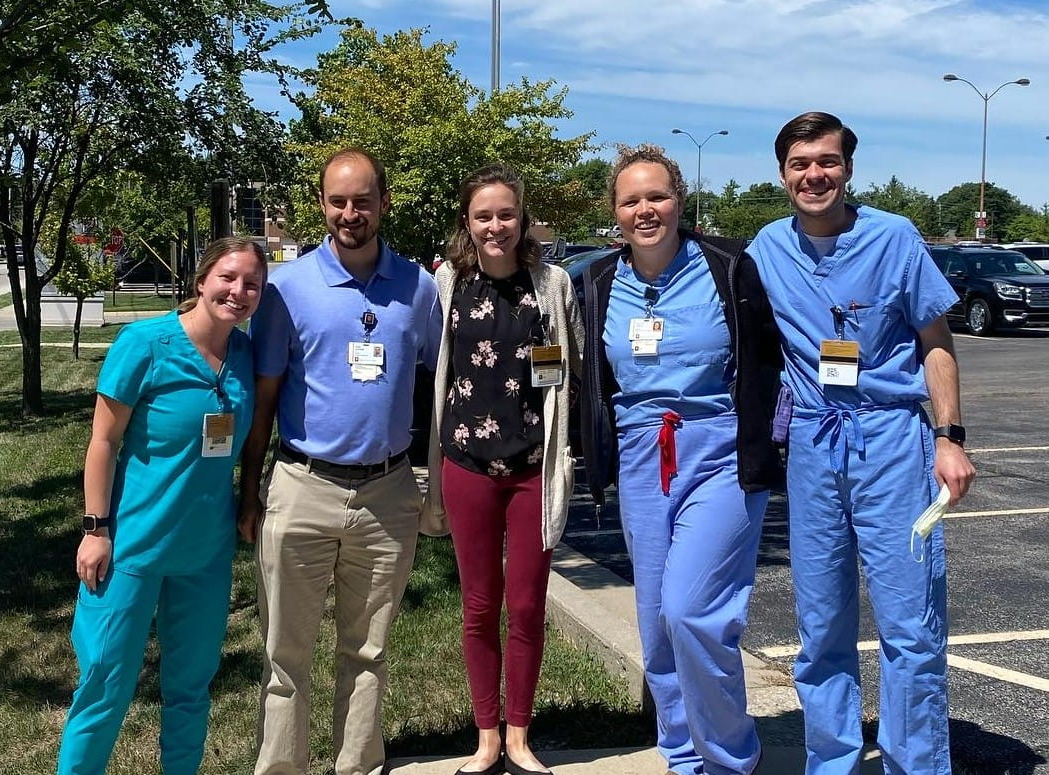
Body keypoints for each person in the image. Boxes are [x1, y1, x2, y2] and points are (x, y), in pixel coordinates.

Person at [746, 111, 976, 775]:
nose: (813, 174)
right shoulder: (767, 248)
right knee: (820, 627)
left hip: (892, 442)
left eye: (826, 161)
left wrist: (948, 437)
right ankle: (833, 759)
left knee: (909, 622)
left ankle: (915, 763)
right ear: (782, 173)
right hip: (815, 446)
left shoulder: (893, 238)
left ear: (846, 168)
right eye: (799, 163)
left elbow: (936, 344)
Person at [579, 144, 784, 775]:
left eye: (657, 196)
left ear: (680, 201)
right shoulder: (595, 281)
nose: (646, 210)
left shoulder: (728, 265)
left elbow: (774, 357)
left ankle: (728, 760)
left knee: (692, 610)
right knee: (655, 621)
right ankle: (681, 755)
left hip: (718, 448)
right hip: (641, 454)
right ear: (614, 212)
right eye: (631, 200)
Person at [238, 147, 442, 775]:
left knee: (368, 648)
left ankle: (357, 765)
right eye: (338, 201)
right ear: (322, 204)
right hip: (302, 486)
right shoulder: (289, 289)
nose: (350, 213)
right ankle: (282, 768)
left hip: (388, 493)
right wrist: (251, 491)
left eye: (362, 200)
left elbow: (441, 388)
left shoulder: (420, 288)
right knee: (284, 654)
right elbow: (265, 398)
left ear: (384, 202)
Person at [58, 237, 267, 775]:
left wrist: (248, 500)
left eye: (251, 284)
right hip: (131, 546)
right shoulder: (145, 343)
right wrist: (95, 528)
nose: (238, 292)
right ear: (201, 280)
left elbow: (246, 443)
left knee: (191, 689)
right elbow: (102, 442)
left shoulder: (244, 356)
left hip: (205, 552)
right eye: (227, 277)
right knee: (104, 683)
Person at [422, 164, 583, 775]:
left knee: (527, 605)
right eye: (483, 215)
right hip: (466, 464)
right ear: (467, 221)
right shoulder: (446, 286)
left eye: (506, 214)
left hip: (533, 467)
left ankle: (520, 735)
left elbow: (572, 370)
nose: (496, 226)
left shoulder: (552, 284)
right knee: (479, 606)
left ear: (523, 218)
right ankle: (485, 735)